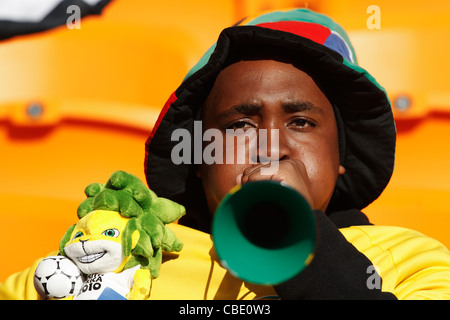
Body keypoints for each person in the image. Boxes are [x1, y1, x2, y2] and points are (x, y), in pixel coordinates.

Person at [2, 8, 450, 300]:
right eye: (239, 125)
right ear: (198, 158)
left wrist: (297, 234)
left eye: (301, 122)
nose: (271, 145)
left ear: (339, 156)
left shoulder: (409, 260)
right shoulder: (133, 256)